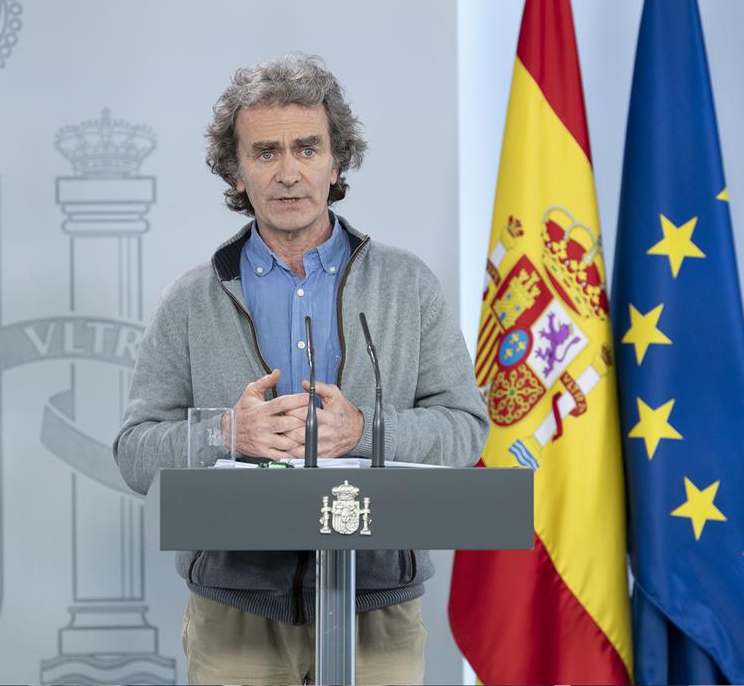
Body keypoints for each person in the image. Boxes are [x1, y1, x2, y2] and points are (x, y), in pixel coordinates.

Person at [113, 53, 487, 685]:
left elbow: (464, 428)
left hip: (379, 601)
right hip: (234, 611)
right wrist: (223, 434)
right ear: (236, 172)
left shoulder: (407, 285)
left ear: (336, 161)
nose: (288, 172)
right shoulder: (190, 299)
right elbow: (133, 453)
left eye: (307, 149)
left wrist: (364, 429)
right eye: (264, 153)